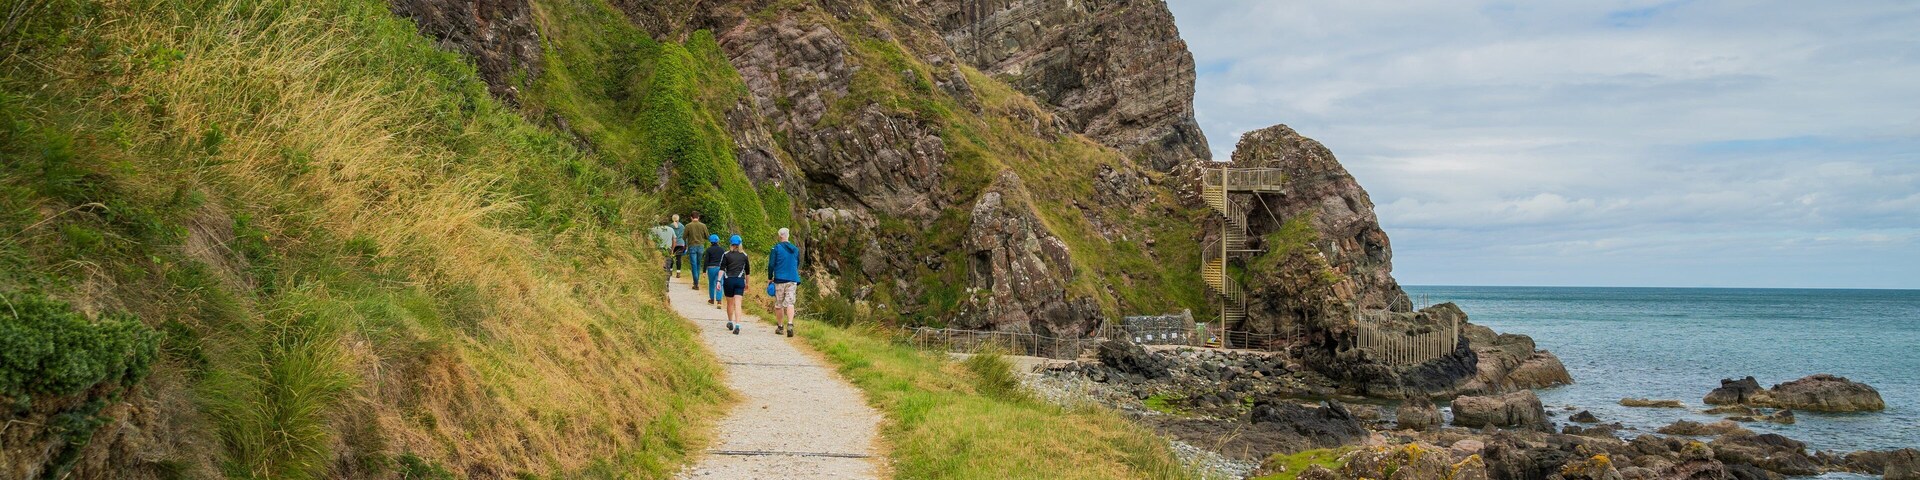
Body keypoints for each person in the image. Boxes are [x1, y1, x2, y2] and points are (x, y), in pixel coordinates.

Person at [768, 227, 801, 337]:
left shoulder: (776, 248)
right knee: (790, 303)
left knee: (779, 304)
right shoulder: (795, 249)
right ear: (788, 236)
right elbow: (797, 263)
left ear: (780, 236)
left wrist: (770, 277)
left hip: (780, 279)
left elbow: (771, 264)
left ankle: (780, 327)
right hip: (792, 279)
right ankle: (790, 324)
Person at [720, 235, 751, 335]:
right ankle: (738, 325)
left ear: (731, 244)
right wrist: (747, 283)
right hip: (739, 281)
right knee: (738, 304)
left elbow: (722, 268)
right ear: (740, 244)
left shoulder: (726, 254)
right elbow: (747, 272)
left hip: (729, 280)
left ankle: (730, 322)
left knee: (730, 303)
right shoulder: (744, 255)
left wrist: (718, 281)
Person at [682, 213, 709, 290]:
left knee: (693, 264)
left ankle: (696, 283)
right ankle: (696, 281)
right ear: (698, 217)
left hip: (692, 246)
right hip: (700, 246)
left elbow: (684, 237)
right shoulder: (703, 225)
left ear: (691, 217)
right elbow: (707, 236)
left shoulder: (688, 226)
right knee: (698, 263)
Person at [703, 234, 726, 307]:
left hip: (711, 268)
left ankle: (712, 299)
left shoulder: (709, 250)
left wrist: (704, 271)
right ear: (718, 241)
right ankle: (719, 301)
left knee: (711, 283)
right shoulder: (722, 250)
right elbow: (725, 260)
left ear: (710, 242)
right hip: (720, 268)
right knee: (719, 283)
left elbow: (706, 261)